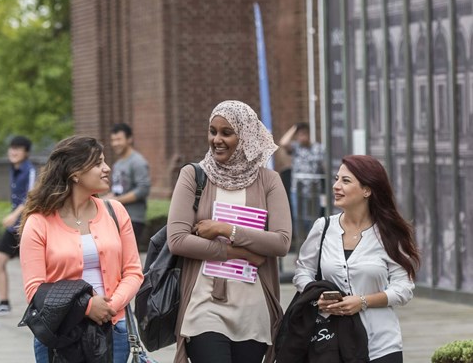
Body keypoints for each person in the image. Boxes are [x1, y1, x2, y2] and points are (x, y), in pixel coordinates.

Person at [167, 100, 292, 363]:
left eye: (226, 132)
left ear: (245, 136)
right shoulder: (193, 175)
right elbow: (177, 240)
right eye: (213, 131)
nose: (216, 140)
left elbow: (281, 242)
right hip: (204, 303)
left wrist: (225, 229)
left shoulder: (269, 181)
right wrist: (239, 252)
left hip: (252, 306)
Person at [18, 135, 144, 363]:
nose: (106, 169)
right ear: (74, 173)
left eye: (105, 162)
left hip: (114, 329)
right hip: (60, 333)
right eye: (98, 164)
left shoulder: (115, 211)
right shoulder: (38, 222)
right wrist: (86, 307)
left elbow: (134, 272)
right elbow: (34, 290)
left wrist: (109, 308)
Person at [293, 155, 420, 363]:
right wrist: (318, 295)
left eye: (346, 181)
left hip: (380, 345)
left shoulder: (389, 234)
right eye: (336, 179)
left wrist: (362, 302)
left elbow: (404, 289)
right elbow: (302, 272)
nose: (336, 186)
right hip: (331, 344)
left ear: (367, 190)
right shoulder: (322, 227)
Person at [0, 135, 36, 317]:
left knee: (33, 266)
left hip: (28, 226)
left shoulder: (30, 170)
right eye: (11, 148)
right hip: (14, 228)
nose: (13, 152)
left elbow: (31, 196)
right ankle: (4, 303)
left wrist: (14, 215)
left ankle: (39, 305)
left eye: (18, 149)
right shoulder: (14, 169)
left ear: (26, 153)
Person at [106, 123, 151, 247]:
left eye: (119, 139)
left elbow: (143, 189)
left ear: (129, 139)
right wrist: (106, 200)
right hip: (116, 217)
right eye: (113, 140)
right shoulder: (117, 164)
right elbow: (117, 190)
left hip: (133, 219)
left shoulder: (138, 162)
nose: (115, 143)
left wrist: (116, 200)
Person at [279, 122, 325, 244]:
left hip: (314, 190)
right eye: (300, 135)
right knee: (299, 220)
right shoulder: (296, 147)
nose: (302, 137)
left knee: (313, 220)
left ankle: (312, 246)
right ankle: (301, 247)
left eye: (305, 134)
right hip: (298, 190)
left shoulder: (318, 148)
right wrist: (294, 127)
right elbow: (283, 142)